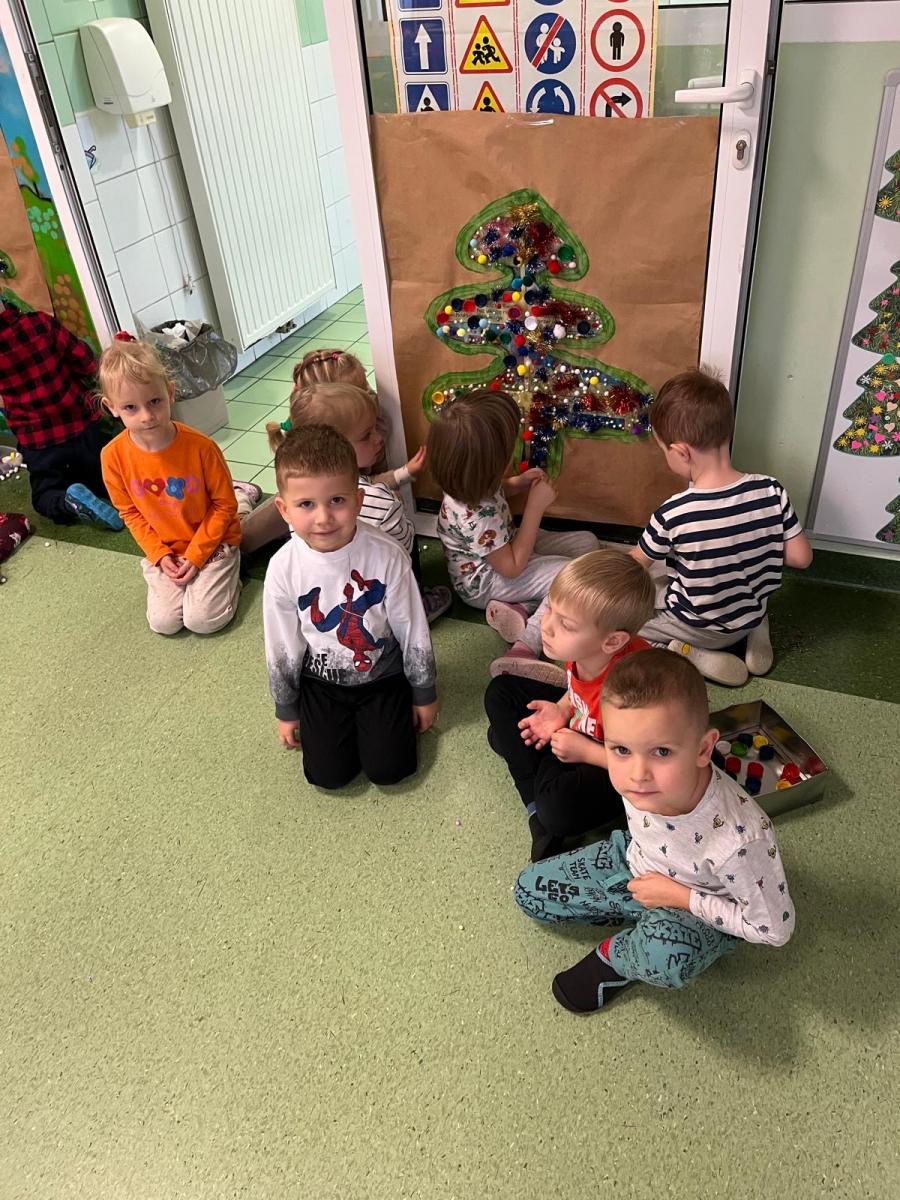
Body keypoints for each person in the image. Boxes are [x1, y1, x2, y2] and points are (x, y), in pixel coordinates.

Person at [515, 649, 795, 1013]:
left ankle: (619, 956)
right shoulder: (642, 781)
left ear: (703, 748)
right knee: (528, 892)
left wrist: (681, 898)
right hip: (636, 863)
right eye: (621, 749)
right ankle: (638, 916)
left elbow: (774, 930)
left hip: (698, 908)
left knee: (667, 953)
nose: (637, 774)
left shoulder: (739, 842)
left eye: (661, 751)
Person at [262, 424, 438, 789]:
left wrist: (423, 692)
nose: (323, 518)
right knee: (327, 775)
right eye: (306, 504)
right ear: (284, 509)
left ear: (358, 500)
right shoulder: (282, 568)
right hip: (321, 681)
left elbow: (412, 629)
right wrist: (287, 708)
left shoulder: (388, 556)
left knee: (390, 770)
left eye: (337, 501)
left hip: (383, 675)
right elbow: (281, 646)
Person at [631, 369, 813, 686]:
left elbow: (634, 565)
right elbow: (801, 558)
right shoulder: (771, 490)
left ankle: (687, 652)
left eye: (664, 451)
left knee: (631, 626)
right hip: (749, 611)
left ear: (681, 452)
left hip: (697, 627)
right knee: (745, 585)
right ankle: (757, 632)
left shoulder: (673, 513)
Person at [485, 549, 654, 862]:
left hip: (612, 757)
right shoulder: (585, 650)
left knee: (556, 807)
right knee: (500, 694)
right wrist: (562, 710)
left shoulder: (633, 691)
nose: (546, 626)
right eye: (550, 608)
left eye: (566, 624)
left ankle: (539, 811)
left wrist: (585, 752)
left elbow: (644, 764)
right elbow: (578, 690)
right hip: (582, 726)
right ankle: (535, 806)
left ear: (613, 642)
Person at [428, 389, 600, 684]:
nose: (512, 453)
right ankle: (525, 647)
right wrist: (535, 507)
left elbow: (494, 491)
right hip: (486, 582)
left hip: (504, 548)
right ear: (487, 465)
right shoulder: (475, 517)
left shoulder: (466, 479)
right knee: (568, 575)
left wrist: (517, 484)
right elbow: (513, 567)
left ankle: (518, 608)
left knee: (587, 543)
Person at [257, 381, 451, 622]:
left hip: (329, 592)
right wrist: (396, 504)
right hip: (380, 594)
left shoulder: (296, 502)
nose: (379, 438)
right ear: (338, 446)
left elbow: (367, 482)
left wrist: (404, 473)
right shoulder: (383, 504)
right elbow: (404, 548)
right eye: (367, 435)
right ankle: (420, 603)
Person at [99, 339, 243, 635]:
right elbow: (130, 513)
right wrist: (159, 555)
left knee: (203, 621)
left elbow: (223, 505)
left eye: (155, 401)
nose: (146, 416)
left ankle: (243, 502)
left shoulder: (202, 448)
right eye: (130, 407)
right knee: (163, 622)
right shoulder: (112, 457)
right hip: (166, 548)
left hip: (213, 541)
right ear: (111, 407)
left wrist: (197, 556)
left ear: (171, 392)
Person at [240, 347, 425, 551]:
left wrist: (401, 476)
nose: (369, 397)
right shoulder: (301, 480)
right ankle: (240, 501)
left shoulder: (365, 420)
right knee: (244, 535)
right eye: (358, 393)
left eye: (367, 389)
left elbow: (369, 483)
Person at [0, 304, 122, 529]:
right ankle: (120, 491)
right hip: (82, 427)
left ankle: (69, 502)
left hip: (39, 443)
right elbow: (87, 362)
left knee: (45, 493)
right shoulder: (40, 323)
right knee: (103, 473)